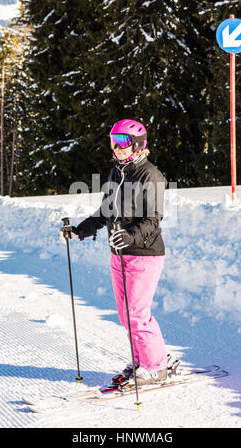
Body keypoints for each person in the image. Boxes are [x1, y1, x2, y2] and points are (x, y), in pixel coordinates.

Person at [60, 119, 176, 387]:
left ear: (137, 145)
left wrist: (130, 235)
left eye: (122, 142)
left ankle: (156, 367)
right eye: (114, 142)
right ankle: (142, 360)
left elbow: (153, 220)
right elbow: (106, 211)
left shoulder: (150, 175)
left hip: (144, 254)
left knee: (137, 313)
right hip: (118, 254)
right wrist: (80, 231)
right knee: (126, 315)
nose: (117, 148)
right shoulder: (117, 173)